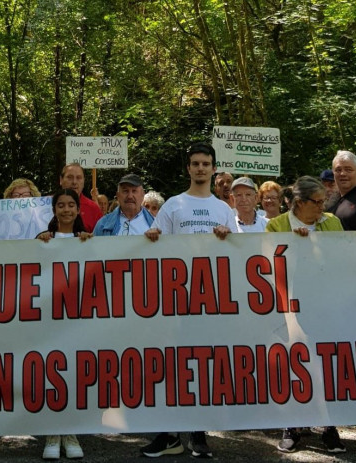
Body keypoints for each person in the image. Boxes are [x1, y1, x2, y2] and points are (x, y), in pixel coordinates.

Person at [142, 142, 237, 459]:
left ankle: (199, 432)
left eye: (205, 163)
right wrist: (153, 239)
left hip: (209, 299)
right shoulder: (172, 205)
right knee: (172, 365)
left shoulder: (225, 210)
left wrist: (229, 237)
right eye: (195, 163)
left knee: (202, 364)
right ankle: (168, 434)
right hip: (175, 299)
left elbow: (239, 254)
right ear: (188, 168)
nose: (200, 168)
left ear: (213, 168)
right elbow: (156, 250)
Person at [265, 176, 345, 453]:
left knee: (326, 362)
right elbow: (269, 264)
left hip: (326, 304)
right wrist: (295, 246)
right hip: (289, 306)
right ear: (299, 203)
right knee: (293, 361)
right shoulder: (277, 225)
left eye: (324, 201)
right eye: (318, 202)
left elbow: (344, 257)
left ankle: (330, 427)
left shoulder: (332, 222)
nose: (323, 207)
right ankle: (292, 427)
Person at [34, 189, 89, 460]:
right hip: (48, 319)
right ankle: (52, 433)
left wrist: (93, 245)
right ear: (54, 210)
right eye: (61, 205)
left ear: (78, 210)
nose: (66, 210)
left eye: (71, 205)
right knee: (50, 372)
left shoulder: (88, 240)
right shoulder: (42, 240)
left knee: (74, 375)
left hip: (78, 319)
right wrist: (38, 243)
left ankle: (71, 432)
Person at [59, 163, 102, 232]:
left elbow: (101, 239)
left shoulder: (93, 209)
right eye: (70, 177)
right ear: (61, 180)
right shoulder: (47, 205)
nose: (74, 182)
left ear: (84, 181)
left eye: (78, 178)